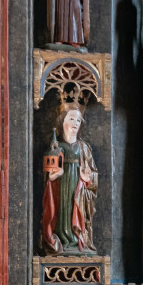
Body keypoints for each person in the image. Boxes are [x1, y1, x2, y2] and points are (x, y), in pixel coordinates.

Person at [41, 100, 97, 254]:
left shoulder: (83, 147)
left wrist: (87, 178)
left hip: (77, 186)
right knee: (61, 211)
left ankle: (75, 239)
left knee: (75, 209)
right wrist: (52, 178)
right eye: (71, 118)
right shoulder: (56, 146)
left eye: (78, 120)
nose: (75, 123)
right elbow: (48, 172)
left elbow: (93, 172)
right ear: (62, 121)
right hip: (61, 185)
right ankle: (61, 238)